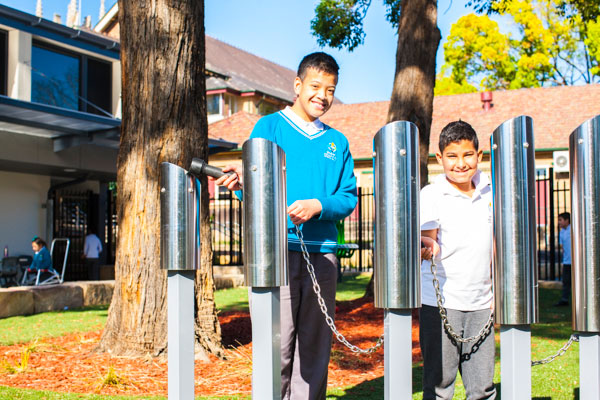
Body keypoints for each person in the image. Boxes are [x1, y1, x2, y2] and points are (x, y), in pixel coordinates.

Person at [215, 52, 357, 400]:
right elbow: (254, 189)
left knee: (314, 348)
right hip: (276, 254)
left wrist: (318, 205)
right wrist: (243, 188)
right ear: (298, 85)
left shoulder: (337, 143)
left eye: (330, 89)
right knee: (275, 348)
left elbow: (349, 197)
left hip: (322, 257)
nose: (322, 95)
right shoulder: (269, 127)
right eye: (315, 86)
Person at [419, 120, 496, 399]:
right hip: (440, 304)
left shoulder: (490, 191)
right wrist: (427, 246)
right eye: (452, 156)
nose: (460, 163)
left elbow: (495, 244)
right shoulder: (431, 194)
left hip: (481, 304)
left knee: (482, 388)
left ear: (479, 156)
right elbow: (428, 239)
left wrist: (497, 293)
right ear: (439, 158)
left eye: (467, 155)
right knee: (440, 387)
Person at [555, 212, 572, 306]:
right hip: (567, 262)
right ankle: (565, 299)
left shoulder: (573, 230)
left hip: (575, 263)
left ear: (567, 220)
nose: (559, 222)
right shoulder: (561, 232)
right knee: (566, 281)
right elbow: (562, 247)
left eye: (560, 220)